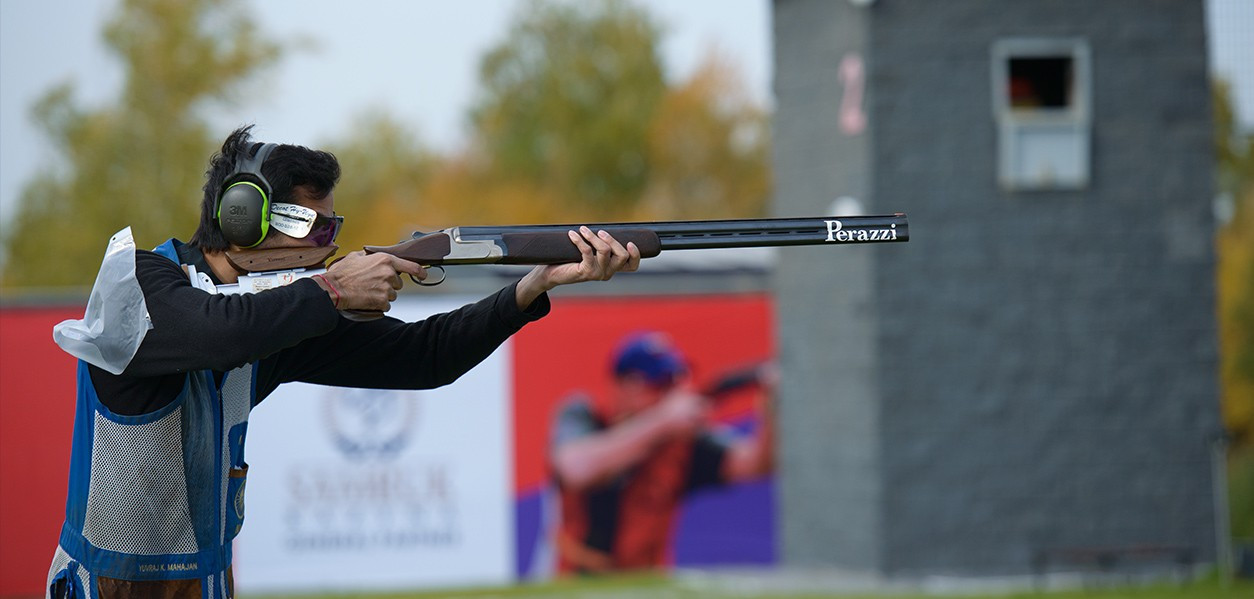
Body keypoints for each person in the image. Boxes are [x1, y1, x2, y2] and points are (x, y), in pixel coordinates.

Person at [45, 125, 641, 599]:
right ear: (244, 219)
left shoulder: (278, 319)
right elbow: (214, 332)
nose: (329, 245)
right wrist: (331, 292)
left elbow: (425, 357)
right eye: (319, 226)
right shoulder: (143, 283)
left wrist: (533, 287)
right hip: (107, 588)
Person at [547, 331, 774, 574]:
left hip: (648, 583)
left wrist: (774, 405)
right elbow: (576, 469)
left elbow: (756, 464)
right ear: (626, 386)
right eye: (660, 384)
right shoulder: (583, 414)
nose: (670, 395)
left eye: (674, 383)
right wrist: (663, 421)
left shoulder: (680, 441)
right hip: (578, 583)